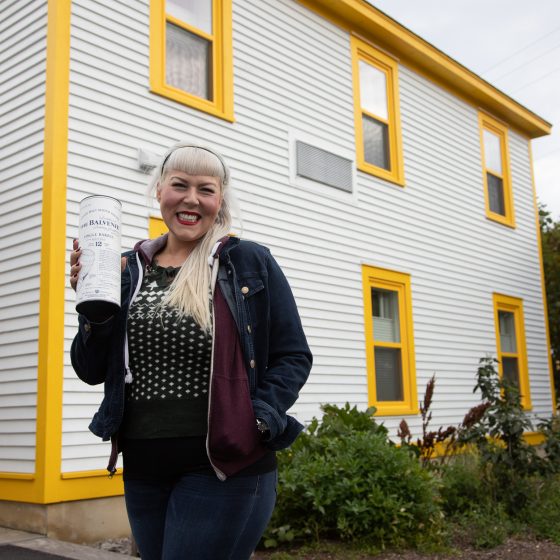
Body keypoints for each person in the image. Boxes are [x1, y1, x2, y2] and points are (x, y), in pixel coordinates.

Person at [69, 143, 312, 560]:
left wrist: (258, 417)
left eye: (206, 189)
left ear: (220, 199)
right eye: (180, 185)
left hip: (224, 465)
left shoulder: (246, 261)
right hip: (143, 467)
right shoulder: (127, 267)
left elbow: (293, 355)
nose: (191, 199)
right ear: (159, 190)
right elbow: (91, 370)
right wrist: (93, 305)